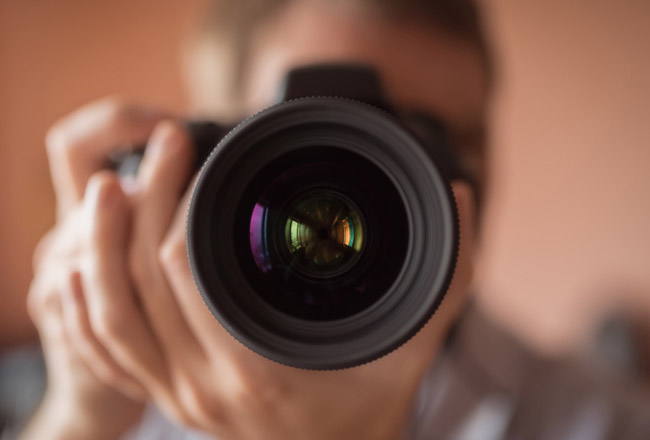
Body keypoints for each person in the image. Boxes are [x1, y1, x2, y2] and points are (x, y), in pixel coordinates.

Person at [17, 0, 650, 439]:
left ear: (488, 166)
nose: (375, 181)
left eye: (427, 142)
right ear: (207, 160)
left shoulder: (604, 422)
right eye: (314, 137)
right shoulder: (132, 383)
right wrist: (77, 420)